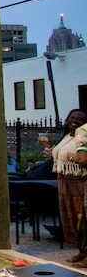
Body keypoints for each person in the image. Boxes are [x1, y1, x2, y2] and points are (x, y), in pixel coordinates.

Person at [52, 109, 87, 266]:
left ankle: (86, 254)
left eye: (79, 119)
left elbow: (82, 159)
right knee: (70, 218)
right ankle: (81, 251)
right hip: (63, 181)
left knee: (82, 219)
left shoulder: (83, 138)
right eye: (72, 117)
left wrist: (72, 157)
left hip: (78, 182)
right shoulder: (66, 136)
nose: (74, 121)